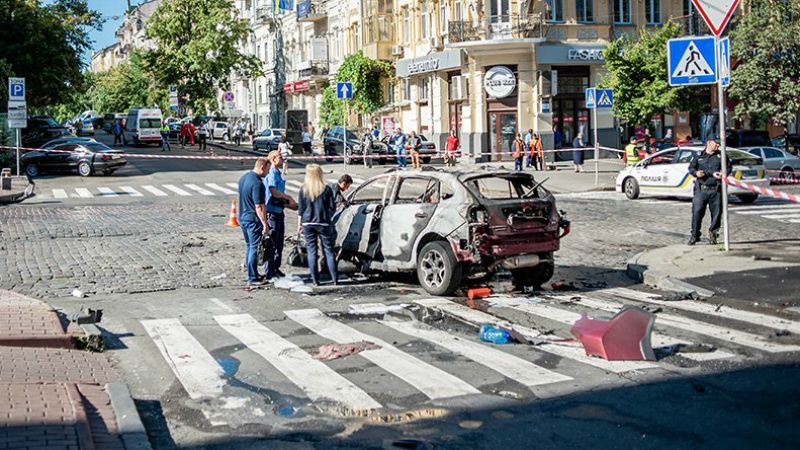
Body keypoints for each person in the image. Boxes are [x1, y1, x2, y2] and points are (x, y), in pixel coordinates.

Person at [298, 164, 339, 286]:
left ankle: (315, 280)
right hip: (323, 222)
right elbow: (332, 207)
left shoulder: (303, 189)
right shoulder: (326, 189)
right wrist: (327, 216)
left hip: (307, 222)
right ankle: (334, 279)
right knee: (329, 250)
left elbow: (301, 209)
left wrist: (299, 225)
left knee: (312, 251)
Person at [688, 138, 730, 245]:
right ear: (709, 142)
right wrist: (696, 173)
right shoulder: (698, 155)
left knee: (716, 214)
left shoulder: (721, 156)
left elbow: (728, 168)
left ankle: (713, 234)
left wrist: (724, 173)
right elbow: (691, 168)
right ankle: (695, 235)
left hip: (716, 189)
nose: (718, 146)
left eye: (719, 144)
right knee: (697, 213)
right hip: (701, 189)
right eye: (716, 143)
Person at [263, 150, 298, 280]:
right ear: (273, 159)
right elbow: (273, 192)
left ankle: (275, 268)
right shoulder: (272, 173)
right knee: (272, 243)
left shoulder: (277, 172)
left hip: (279, 211)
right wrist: (288, 197)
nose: (282, 159)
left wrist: (289, 205)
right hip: (272, 213)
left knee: (279, 243)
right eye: (280, 157)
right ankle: (269, 271)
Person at [238, 157, 271, 287]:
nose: (268, 173)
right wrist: (265, 223)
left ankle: (252, 273)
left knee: (249, 246)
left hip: (243, 217)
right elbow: (259, 206)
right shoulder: (258, 183)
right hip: (253, 219)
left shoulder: (244, 178)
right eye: (267, 170)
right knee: (254, 247)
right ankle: (252, 277)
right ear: (262, 168)